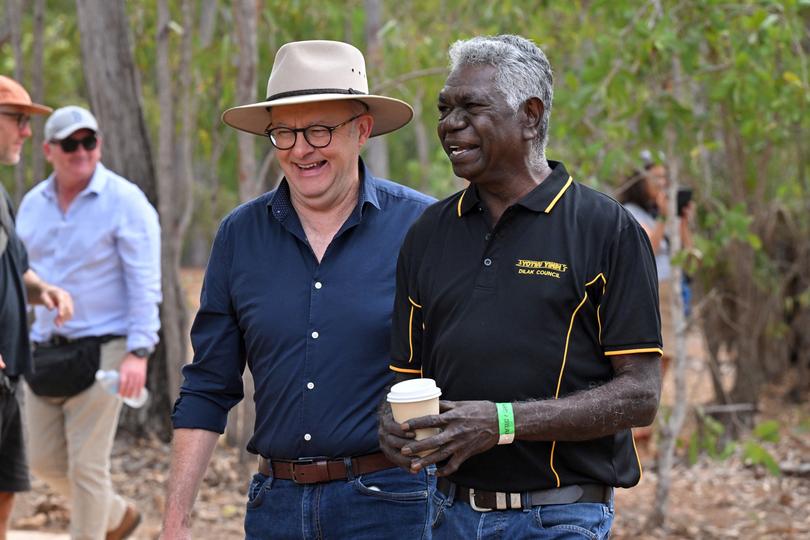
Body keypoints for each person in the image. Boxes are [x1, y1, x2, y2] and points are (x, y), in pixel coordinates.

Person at [378, 35, 663, 539]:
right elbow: (404, 380)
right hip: (447, 516)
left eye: (471, 107)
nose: (449, 124)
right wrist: (392, 429)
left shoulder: (605, 228)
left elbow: (639, 396)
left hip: (559, 517)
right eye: (444, 108)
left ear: (530, 116)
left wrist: (503, 422)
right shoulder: (427, 234)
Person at [162, 40, 435, 540]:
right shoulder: (238, 236)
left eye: (318, 130)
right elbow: (208, 385)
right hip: (276, 507)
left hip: (393, 504)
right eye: (284, 133)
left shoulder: (422, 228)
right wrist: (175, 522)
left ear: (362, 130)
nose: (300, 150)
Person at [16, 105, 161, 540]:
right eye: (69, 143)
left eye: (89, 141)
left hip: (107, 350)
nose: (81, 151)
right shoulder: (31, 205)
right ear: (48, 150)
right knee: (41, 461)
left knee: (87, 467)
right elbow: (18, 275)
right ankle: (117, 516)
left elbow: (144, 282)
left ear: (99, 144)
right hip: (43, 348)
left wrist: (138, 351)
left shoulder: (125, 201)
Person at [0, 75, 73, 540]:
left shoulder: (1, 195)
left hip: (9, 376)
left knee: (6, 487)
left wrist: (42, 289)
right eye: (19, 120)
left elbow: (16, 267)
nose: (28, 132)